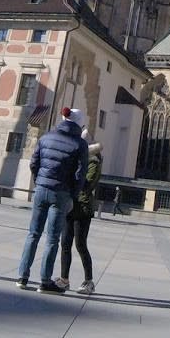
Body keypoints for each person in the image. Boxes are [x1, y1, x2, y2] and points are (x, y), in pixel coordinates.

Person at [17, 107, 89, 293]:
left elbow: (34, 163)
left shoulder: (46, 137)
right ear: (79, 124)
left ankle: (22, 277)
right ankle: (45, 281)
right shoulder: (79, 144)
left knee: (33, 233)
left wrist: (39, 181)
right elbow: (80, 175)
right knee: (52, 238)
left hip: (41, 189)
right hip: (61, 193)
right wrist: (73, 195)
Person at [58, 131, 103, 294]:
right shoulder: (77, 159)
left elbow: (87, 183)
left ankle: (89, 281)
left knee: (80, 244)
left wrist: (75, 169)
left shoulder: (93, 162)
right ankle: (64, 279)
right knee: (65, 243)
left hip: (83, 207)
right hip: (70, 204)